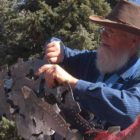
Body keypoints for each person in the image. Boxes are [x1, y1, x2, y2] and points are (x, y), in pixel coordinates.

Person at [37, 0, 140, 130]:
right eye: (103, 29)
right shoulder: (95, 60)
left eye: (110, 31)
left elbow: (131, 111)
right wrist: (56, 46)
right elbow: (64, 52)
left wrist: (74, 83)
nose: (102, 35)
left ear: (133, 41)